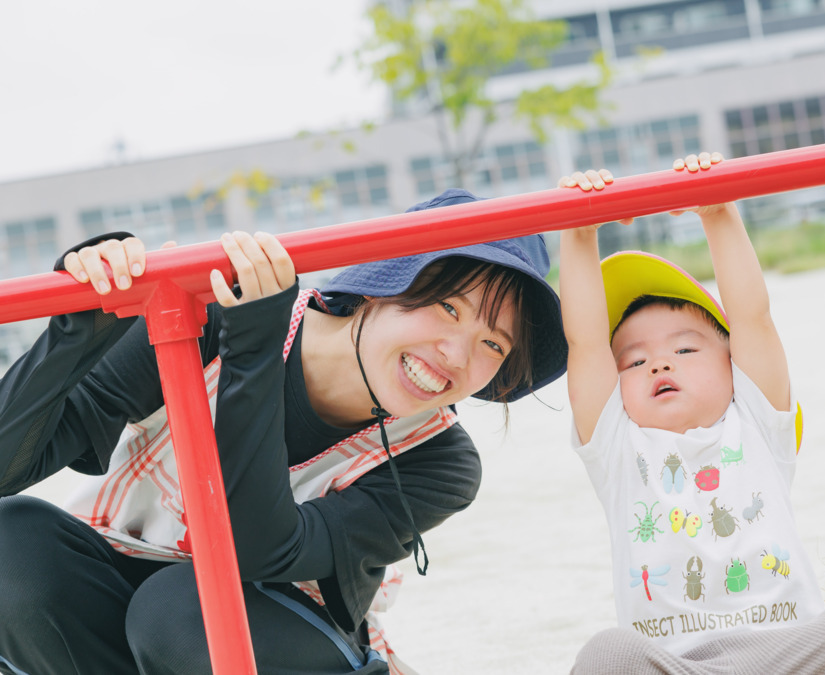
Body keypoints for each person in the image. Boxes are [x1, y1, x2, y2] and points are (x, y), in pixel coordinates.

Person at [0, 188, 567, 675]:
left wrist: (253, 350)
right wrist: (77, 332)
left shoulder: (439, 460)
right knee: (13, 541)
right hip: (116, 599)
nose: (456, 355)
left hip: (276, 631)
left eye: (494, 344)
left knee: (184, 611)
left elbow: (259, 550)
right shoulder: (208, 318)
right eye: (448, 308)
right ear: (385, 281)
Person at [557, 155, 825, 674]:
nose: (659, 363)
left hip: (793, 657)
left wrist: (718, 210)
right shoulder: (618, 447)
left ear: (733, 365)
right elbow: (586, 342)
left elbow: (753, 316)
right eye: (635, 361)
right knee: (608, 656)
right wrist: (578, 231)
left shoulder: (756, 422)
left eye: (685, 350)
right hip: (681, 666)